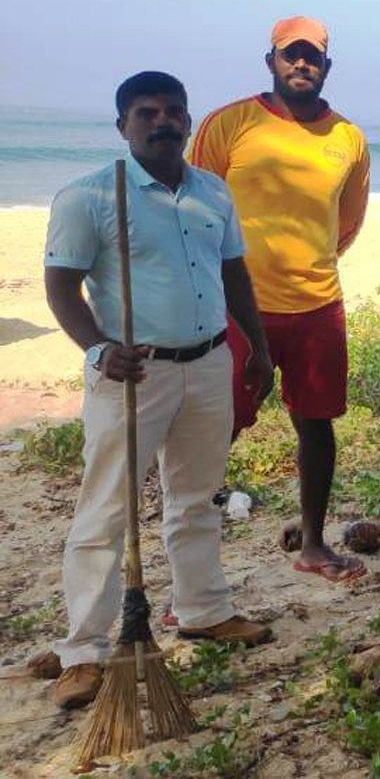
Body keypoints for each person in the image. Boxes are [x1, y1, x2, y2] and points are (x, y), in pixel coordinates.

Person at [45, 71, 276, 710]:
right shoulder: (92, 196)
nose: (162, 121)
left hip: (206, 364)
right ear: (123, 125)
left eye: (173, 111)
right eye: (146, 113)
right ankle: (84, 651)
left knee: (197, 497)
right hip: (132, 372)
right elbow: (61, 286)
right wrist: (96, 347)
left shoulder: (213, 193)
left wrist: (254, 345)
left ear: (189, 121)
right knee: (106, 510)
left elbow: (233, 273)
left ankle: (203, 609)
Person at [189, 16, 371, 584]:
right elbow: (195, 209)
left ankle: (314, 543)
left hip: (318, 306)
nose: (301, 64)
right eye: (290, 55)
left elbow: (348, 224)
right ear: (270, 60)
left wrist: (304, 263)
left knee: (316, 424)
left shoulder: (349, 139)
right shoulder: (231, 123)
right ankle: (193, 561)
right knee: (219, 429)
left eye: (311, 57)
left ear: (326, 67)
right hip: (239, 308)